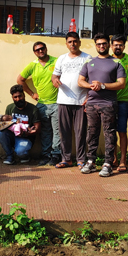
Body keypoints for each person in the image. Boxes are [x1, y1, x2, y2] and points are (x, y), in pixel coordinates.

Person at [78, 33, 126, 177]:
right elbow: (80, 81)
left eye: (104, 43)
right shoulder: (89, 62)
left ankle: (108, 164)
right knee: (91, 133)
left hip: (108, 104)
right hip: (92, 103)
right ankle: (91, 162)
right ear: (95, 45)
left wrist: (103, 86)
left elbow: (121, 84)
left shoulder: (116, 63)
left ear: (109, 45)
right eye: (98, 44)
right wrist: (91, 86)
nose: (101, 46)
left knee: (109, 133)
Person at [52, 32, 92, 169]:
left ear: (80, 42)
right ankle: (66, 159)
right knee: (64, 132)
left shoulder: (87, 58)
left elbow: (91, 79)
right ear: (66, 44)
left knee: (81, 132)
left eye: (75, 41)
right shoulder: (62, 58)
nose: (72, 44)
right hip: (63, 101)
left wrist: (88, 98)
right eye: (70, 42)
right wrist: (55, 81)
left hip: (81, 101)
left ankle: (81, 159)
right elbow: (54, 76)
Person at [17, 42, 60, 166]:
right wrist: (32, 94)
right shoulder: (33, 65)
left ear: (46, 49)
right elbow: (20, 80)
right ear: (35, 53)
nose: (40, 51)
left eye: (42, 48)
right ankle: (46, 154)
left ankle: (56, 155)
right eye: (37, 50)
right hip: (42, 104)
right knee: (45, 131)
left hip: (57, 103)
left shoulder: (57, 61)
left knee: (58, 131)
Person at [111, 34, 128, 172]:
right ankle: (113, 159)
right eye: (115, 44)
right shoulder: (107, 60)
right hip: (108, 101)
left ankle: (123, 161)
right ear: (111, 46)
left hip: (123, 101)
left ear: (124, 46)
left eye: (120, 45)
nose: (118, 47)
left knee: (121, 131)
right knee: (110, 132)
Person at [0, 84, 41, 164]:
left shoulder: (33, 109)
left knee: (21, 152)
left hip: (25, 137)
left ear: (24, 95)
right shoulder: (10, 108)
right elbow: (6, 124)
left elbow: (38, 129)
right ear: (12, 98)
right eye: (15, 97)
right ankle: (10, 156)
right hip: (12, 135)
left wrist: (26, 132)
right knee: (0, 132)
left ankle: (24, 156)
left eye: (20, 96)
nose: (18, 99)